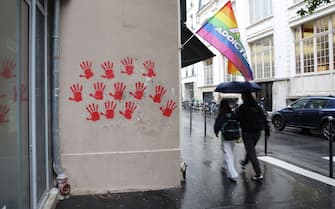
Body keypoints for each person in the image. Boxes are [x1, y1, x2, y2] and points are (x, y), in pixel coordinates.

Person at [236, 91, 270, 181]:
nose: (242, 98)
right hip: (257, 132)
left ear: (244, 97)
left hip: (247, 132)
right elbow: (264, 118)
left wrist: (236, 111)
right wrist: (267, 130)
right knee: (250, 149)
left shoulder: (242, 107)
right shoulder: (257, 106)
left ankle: (258, 174)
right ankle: (244, 162)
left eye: (242, 96)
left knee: (251, 152)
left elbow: (237, 119)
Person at [214, 99, 239, 182]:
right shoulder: (232, 112)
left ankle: (232, 174)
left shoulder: (222, 113)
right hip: (233, 136)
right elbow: (237, 121)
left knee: (228, 153)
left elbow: (218, 123)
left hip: (226, 136)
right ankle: (224, 166)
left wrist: (216, 132)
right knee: (229, 151)